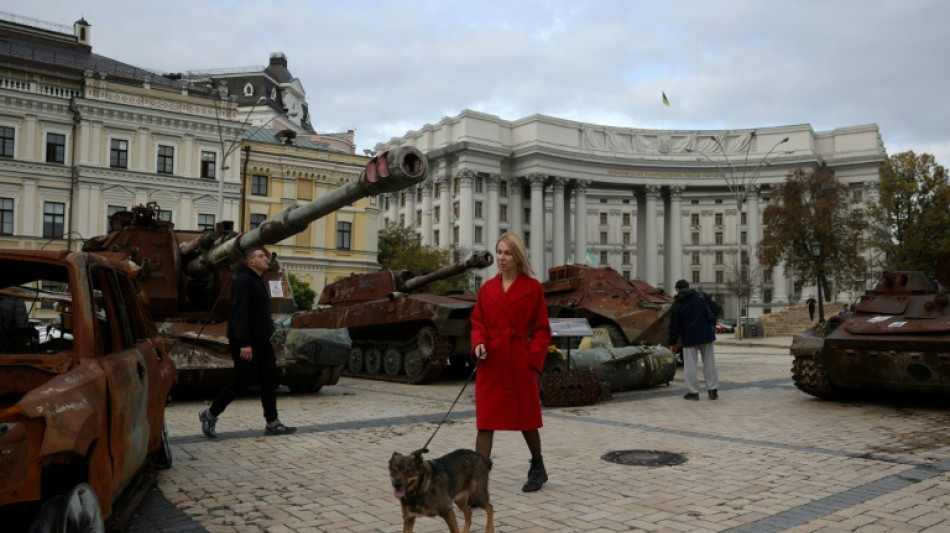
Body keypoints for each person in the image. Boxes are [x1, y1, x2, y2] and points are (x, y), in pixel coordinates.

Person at [470, 232, 552, 492]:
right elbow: (478, 322)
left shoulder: (532, 288)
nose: (502, 258)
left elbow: (541, 330)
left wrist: (531, 359)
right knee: (486, 422)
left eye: (507, 253)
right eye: (499, 252)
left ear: (518, 256)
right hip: (491, 362)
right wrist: (479, 342)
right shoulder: (488, 288)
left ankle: (538, 467)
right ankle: (478, 483)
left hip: (518, 361)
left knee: (526, 420)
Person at [199, 247, 296, 438]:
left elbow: (257, 312)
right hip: (246, 341)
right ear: (251, 262)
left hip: (261, 340)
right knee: (242, 381)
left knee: (270, 379)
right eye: (261, 256)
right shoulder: (244, 281)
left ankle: (272, 422)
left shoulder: (257, 280)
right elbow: (240, 313)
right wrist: (244, 343)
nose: (266, 258)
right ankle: (210, 414)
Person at [668, 279, 722, 401]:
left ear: (677, 289)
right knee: (709, 363)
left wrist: (672, 343)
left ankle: (693, 392)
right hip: (706, 335)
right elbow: (716, 309)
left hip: (689, 337)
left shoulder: (677, 304)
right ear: (689, 287)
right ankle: (712, 390)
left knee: (690, 366)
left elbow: (674, 326)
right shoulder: (701, 296)